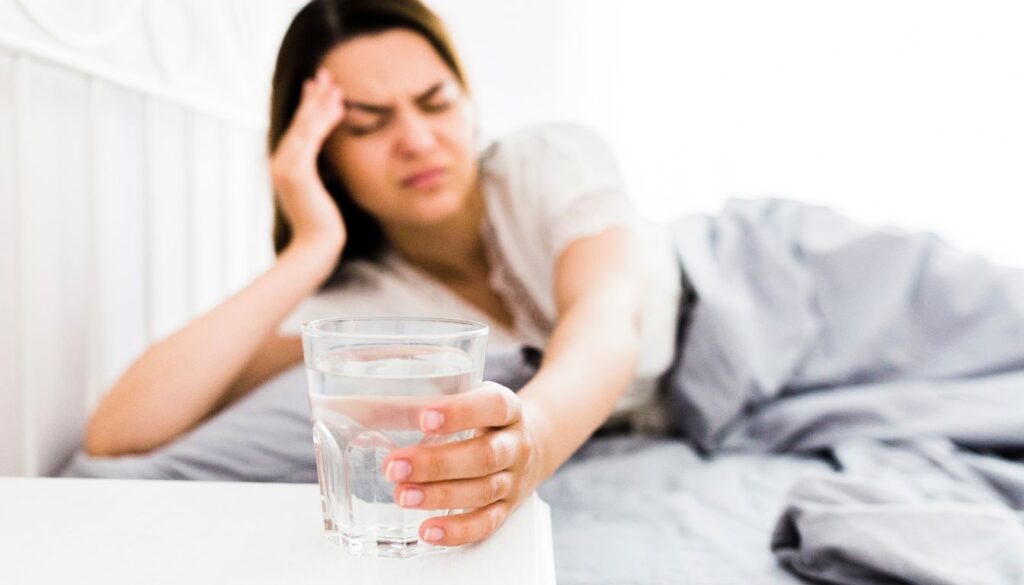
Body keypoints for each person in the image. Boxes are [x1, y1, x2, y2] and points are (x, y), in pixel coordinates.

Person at [83, 0, 684, 548]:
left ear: (469, 102)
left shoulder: (552, 161)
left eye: (436, 101)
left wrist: (534, 442)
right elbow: (117, 434)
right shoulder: (354, 308)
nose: (418, 141)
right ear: (325, 157)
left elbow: (606, 318)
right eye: (367, 123)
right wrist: (311, 247)